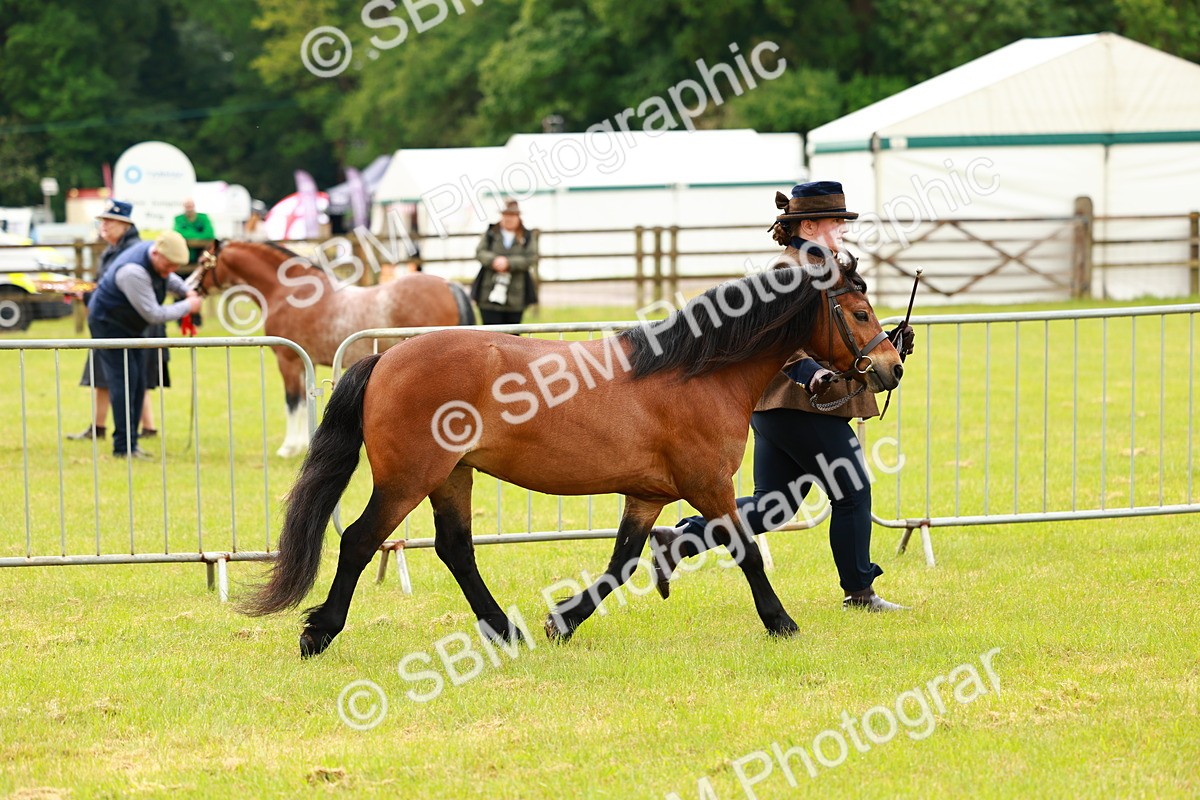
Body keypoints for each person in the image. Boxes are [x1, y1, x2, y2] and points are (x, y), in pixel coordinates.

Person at [649, 181, 915, 612]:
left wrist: (886, 345)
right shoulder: (788, 270)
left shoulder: (826, 267)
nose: (842, 231)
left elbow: (843, 331)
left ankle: (680, 539)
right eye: (836, 223)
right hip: (797, 402)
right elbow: (774, 337)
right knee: (852, 490)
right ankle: (860, 591)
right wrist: (810, 372)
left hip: (785, 409)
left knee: (775, 506)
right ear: (808, 225)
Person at [87, 230, 202, 458]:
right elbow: (154, 313)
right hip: (109, 325)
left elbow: (168, 278)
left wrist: (185, 290)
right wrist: (188, 306)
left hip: (132, 326)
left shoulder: (157, 255)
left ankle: (132, 443)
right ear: (157, 254)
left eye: (176, 267)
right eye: (169, 265)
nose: (171, 271)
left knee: (139, 381)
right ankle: (122, 447)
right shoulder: (133, 272)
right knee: (122, 383)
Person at [67, 200, 142, 441]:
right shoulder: (112, 250)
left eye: (109, 221)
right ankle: (103, 429)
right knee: (107, 377)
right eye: (103, 221)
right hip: (107, 322)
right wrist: (87, 293)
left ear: (124, 224)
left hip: (124, 324)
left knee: (133, 381)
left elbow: (120, 291)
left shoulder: (129, 251)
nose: (104, 226)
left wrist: (90, 295)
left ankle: (130, 436)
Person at [472, 199, 538, 325]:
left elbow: (531, 257)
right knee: (490, 334)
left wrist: (509, 263)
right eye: (506, 215)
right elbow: (480, 252)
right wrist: (494, 261)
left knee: (512, 337)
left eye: (512, 215)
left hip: (516, 295)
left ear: (518, 217)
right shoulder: (491, 233)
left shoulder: (527, 236)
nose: (509, 219)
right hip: (488, 293)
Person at [173, 198, 215, 264]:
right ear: (183, 206)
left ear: (194, 206)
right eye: (187, 206)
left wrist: (189, 234)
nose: (189, 208)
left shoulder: (204, 218)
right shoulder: (178, 219)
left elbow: (209, 234)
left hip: (201, 255)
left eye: (190, 206)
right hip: (184, 257)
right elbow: (177, 233)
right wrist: (199, 235)